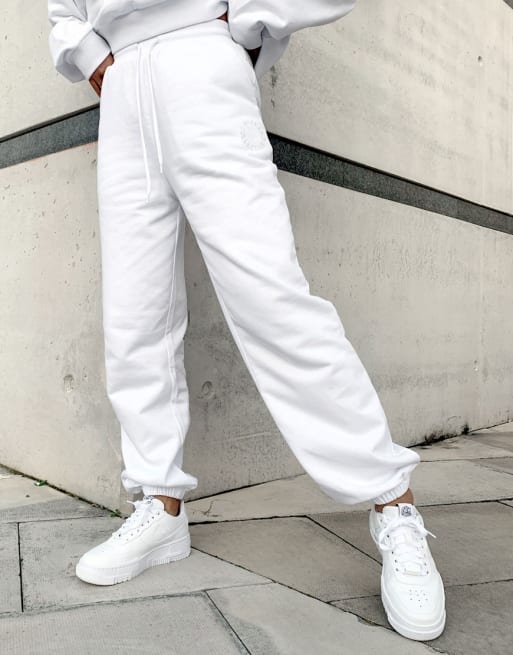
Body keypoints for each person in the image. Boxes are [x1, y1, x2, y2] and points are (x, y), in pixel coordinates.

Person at [48, 0, 446, 642]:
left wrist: (242, 22)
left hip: (201, 64)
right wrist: (93, 55)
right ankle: (160, 503)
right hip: (122, 87)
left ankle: (392, 503)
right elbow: (61, 9)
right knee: (134, 314)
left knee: (272, 299)